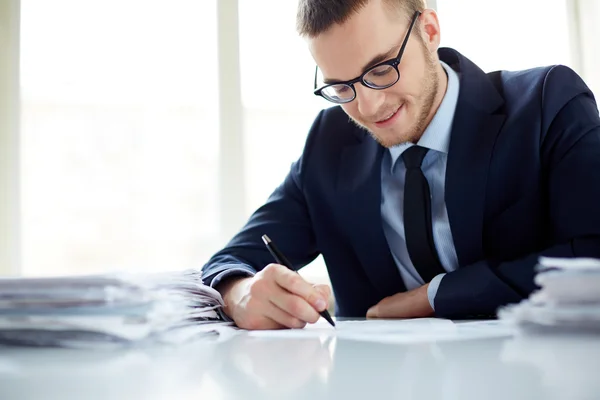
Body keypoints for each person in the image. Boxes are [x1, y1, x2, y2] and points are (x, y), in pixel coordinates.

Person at [201, 0, 600, 330]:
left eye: (380, 70)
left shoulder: (547, 105)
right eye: (341, 87)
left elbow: (592, 256)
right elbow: (229, 262)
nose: (368, 106)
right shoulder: (330, 141)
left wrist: (435, 296)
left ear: (429, 31)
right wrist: (241, 293)